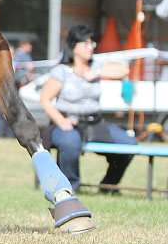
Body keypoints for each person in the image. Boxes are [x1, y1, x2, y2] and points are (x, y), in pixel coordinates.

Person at [40, 24, 135, 192]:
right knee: (69, 143)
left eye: (92, 43)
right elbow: (45, 100)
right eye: (86, 44)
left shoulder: (95, 65)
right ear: (74, 47)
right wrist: (61, 121)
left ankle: (108, 185)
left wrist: (97, 73)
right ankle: (69, 187)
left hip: (95, 123)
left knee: (130, 143)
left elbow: (123, 69)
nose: (90, 47)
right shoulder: (62, 71)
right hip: (68, 122)